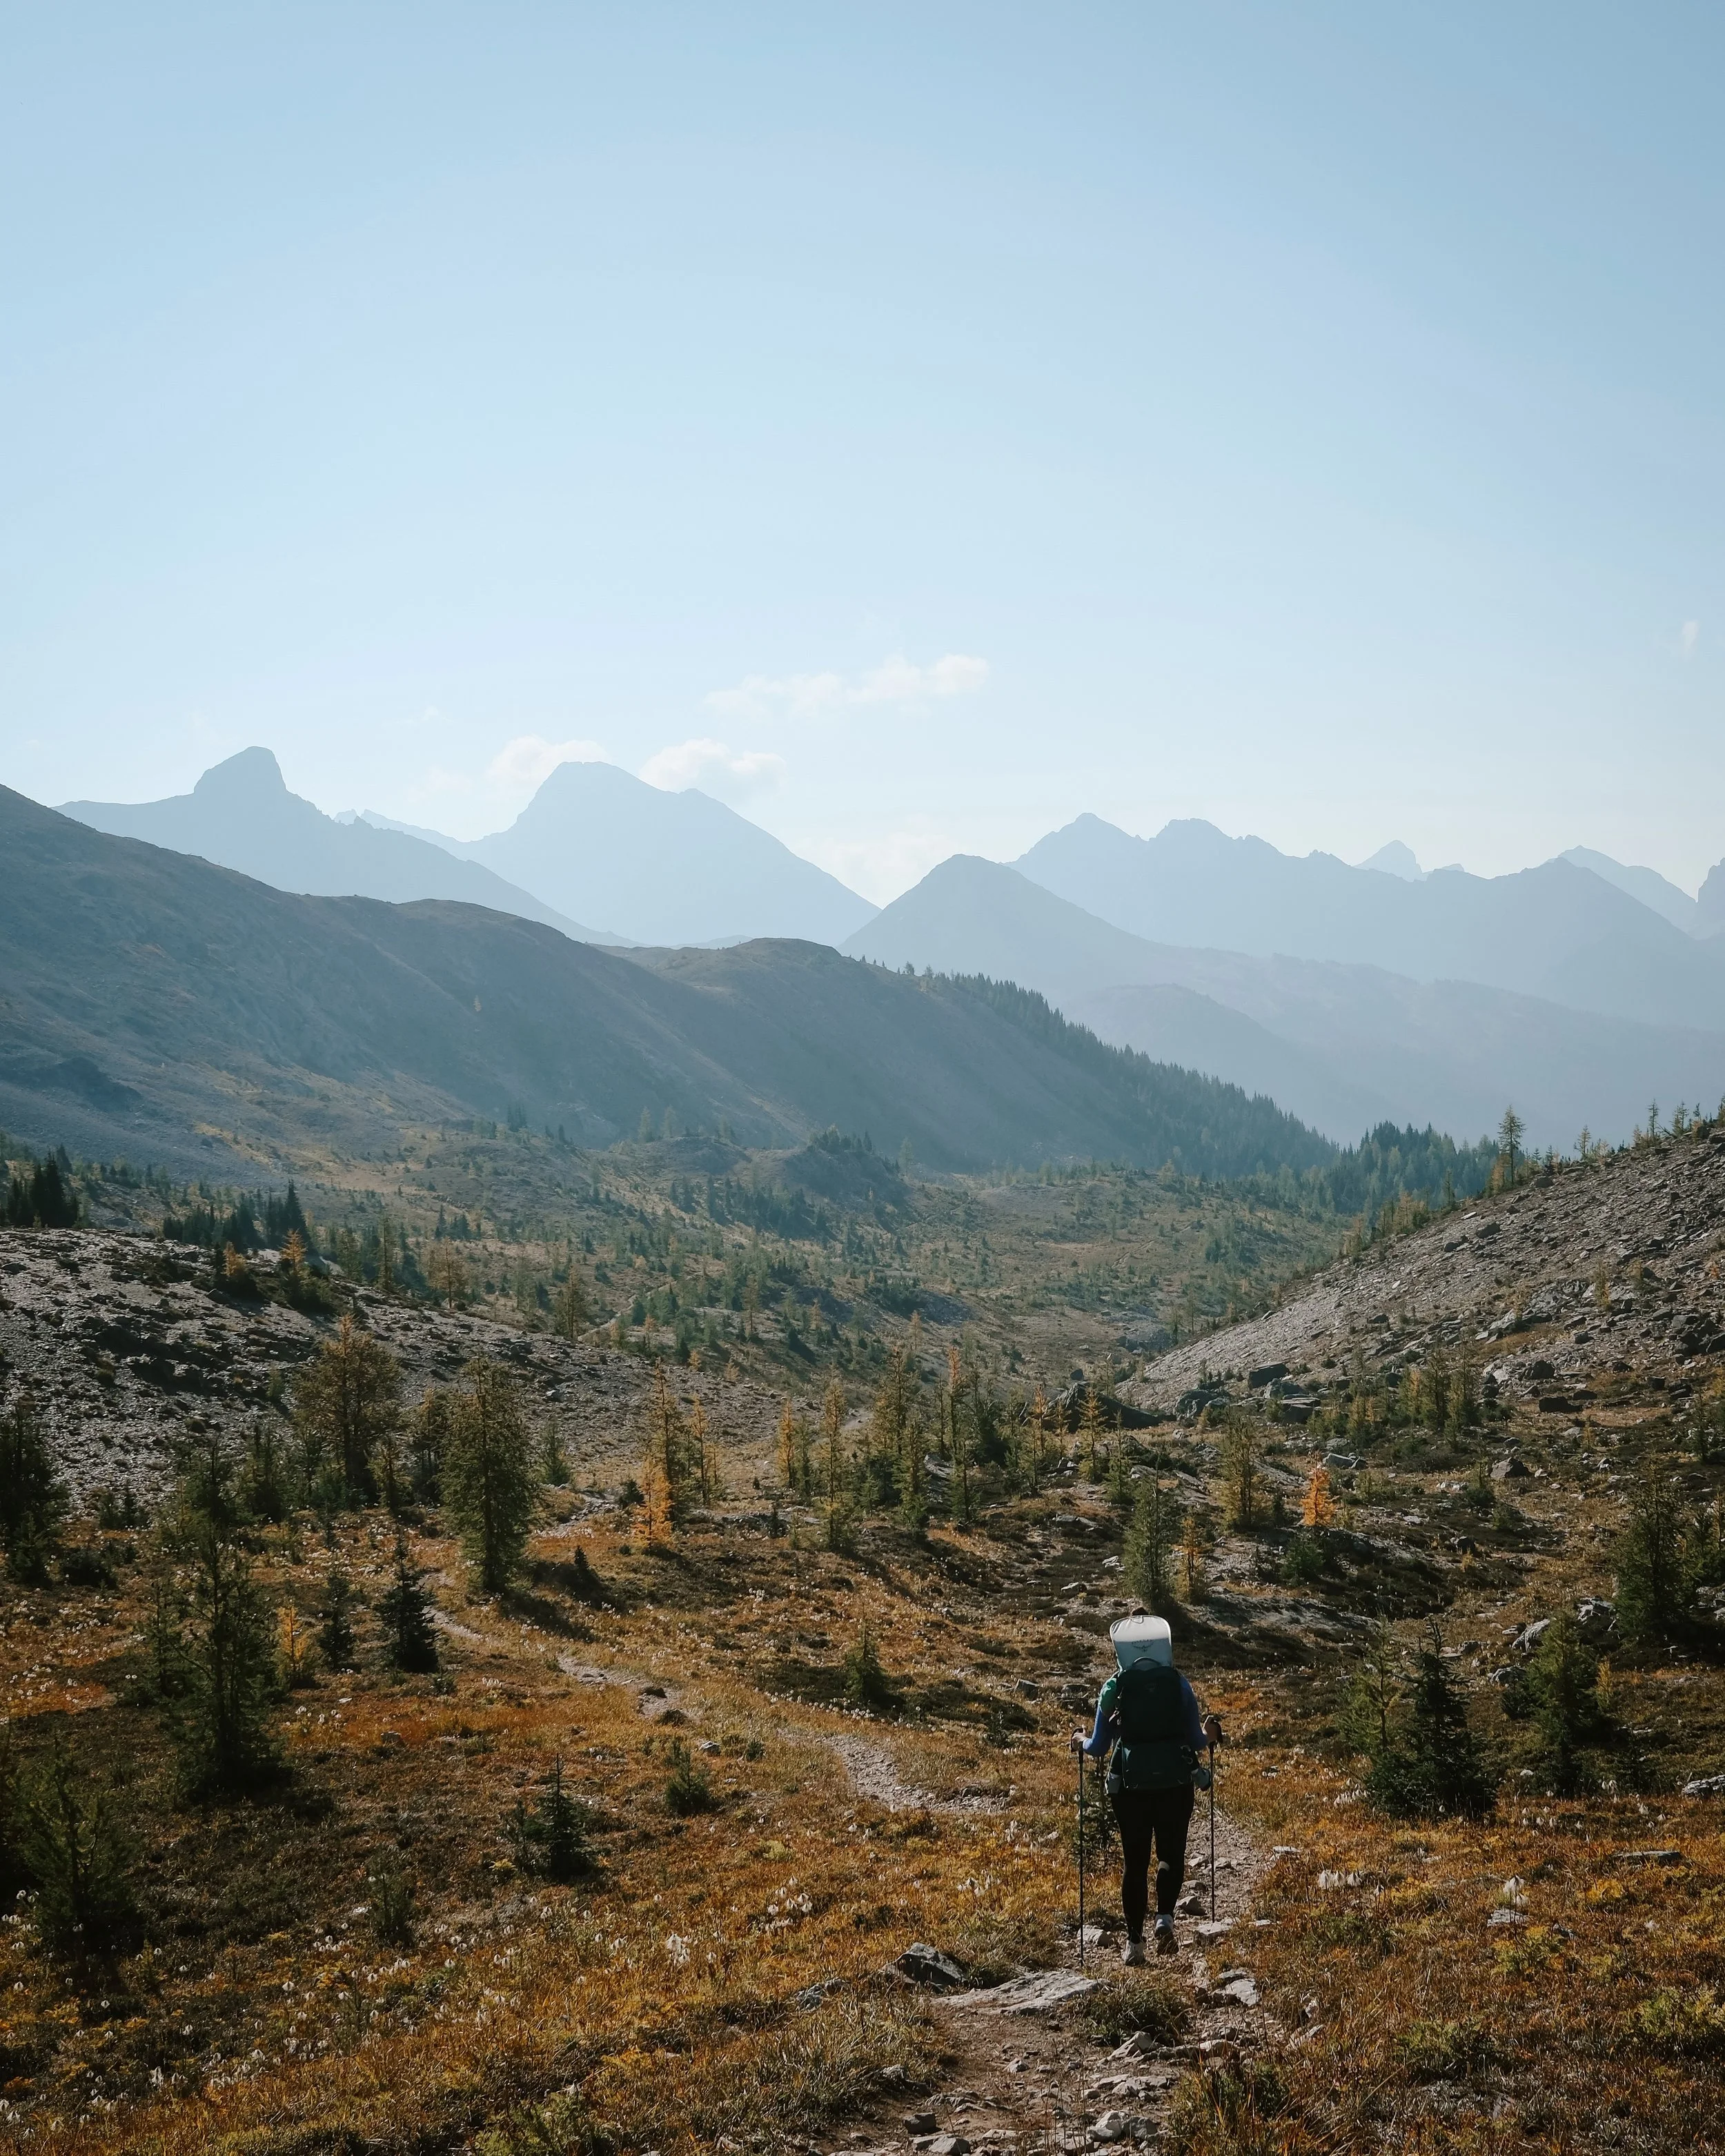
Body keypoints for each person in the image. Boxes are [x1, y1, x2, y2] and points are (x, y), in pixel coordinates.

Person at [1071, 1612, 1222, 1964]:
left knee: (1135, 1863)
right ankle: (1165, 1918)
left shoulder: (1115, 1686)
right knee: (1171, 1855)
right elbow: (1198, 1740)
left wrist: (1079, 1739)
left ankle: (1134, 1945)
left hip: (1130, 1787)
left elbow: (1098, 1747)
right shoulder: (1178, 1684)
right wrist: (1212, 1733)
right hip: (1176, 1784)